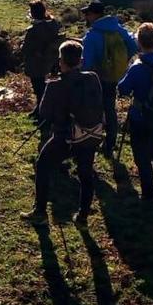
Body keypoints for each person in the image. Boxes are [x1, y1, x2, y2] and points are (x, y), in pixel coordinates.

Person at [22, 40, 104, 227]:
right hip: (90, 134)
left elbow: (44, 114)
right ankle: (82, 216)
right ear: (80, 60)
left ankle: (40, 212)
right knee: (85, 173)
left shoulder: (54, 86)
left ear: (61, 61)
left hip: (65, 137)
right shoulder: (93, 78)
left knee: (42, 165)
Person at [117, 23, 153, 203]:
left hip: (140, 116)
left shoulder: (137, 67)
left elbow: (123, 89)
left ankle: (149, 193)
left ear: (139, 43)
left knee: (142, 155)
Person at [79, 0, 137, 158]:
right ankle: (110, 142)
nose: (86, 16)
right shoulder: (118, 28)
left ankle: (92, 140)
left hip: (96, 78)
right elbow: (133, 46)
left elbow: (87, 63)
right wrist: (122, 63)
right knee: (110, 109)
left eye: (88, 13)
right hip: (114, 76)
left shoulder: (92, 36)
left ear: (95, 14)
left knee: (94, 110)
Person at [20, 0, 61, 119]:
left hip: (36, 64)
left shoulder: (33, 30)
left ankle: (42, 112)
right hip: (50, 62)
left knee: (39, 89)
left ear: (33, 14)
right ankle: (40, 109)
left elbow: (26, 49)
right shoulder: (52, 25)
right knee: (44, 88)